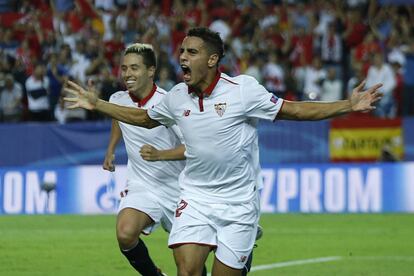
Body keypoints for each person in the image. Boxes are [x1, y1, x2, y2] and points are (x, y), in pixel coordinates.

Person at [64, 27, 382, 276]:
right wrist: (98, 104)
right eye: (182, 51)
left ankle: (242, 258)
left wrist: (348, 105)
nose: (183, 57)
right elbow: (143, 119)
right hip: (195, 198)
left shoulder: (243, 91)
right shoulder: (176, 97)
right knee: (187, 270)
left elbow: (295, 111)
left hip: (238, 202)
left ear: (212, 59)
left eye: (192, 52)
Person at [102, 43, 186, 276]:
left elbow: (193, 147)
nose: (127, 74)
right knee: (125, 233)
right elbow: (118, 118)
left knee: (189, 266)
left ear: (151, 71)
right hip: (142, 185)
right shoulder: (118, 98)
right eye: (124, 68)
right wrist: (111, 148)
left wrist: (161, 155)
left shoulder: (168, 103)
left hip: (179, 189)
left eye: (135, 68)